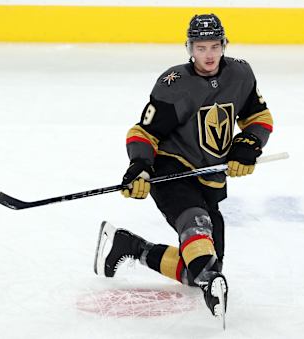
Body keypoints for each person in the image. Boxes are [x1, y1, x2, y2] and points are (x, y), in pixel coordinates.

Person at [94, 13, 273, 319]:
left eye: (214, 46)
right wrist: (140, 165)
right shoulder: (174, 84)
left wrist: (249, 145)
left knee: (200, 269)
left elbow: (259, 118)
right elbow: (144, 132)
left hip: (209, 177)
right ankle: (208, 280)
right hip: (171, 170)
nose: (208, 55)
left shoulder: (240, 75)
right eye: (201, 47)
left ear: (224, 45)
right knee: (197, 226)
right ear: (189, 47)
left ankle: (132, 247)